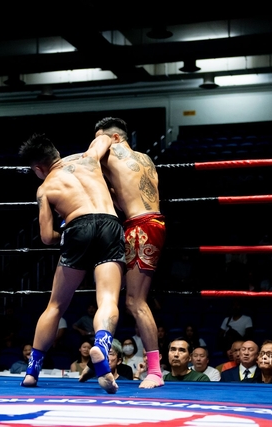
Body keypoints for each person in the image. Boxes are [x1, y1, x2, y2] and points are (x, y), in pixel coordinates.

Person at [18, 133, 125, 393]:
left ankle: (32, 371)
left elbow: (46, 237)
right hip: (109, 223)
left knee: (55, 305)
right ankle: (101, 345)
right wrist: (102, 143)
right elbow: (105, 138)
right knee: (107, 299)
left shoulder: (45, 188)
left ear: (38, 168)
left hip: (76, 227)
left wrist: (66, 235)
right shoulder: (87, 158)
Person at [88, 116, 167, 388]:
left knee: (135, 302)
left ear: (115, 137)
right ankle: (99, 362)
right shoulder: (146, 159)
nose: (98, 143)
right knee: (124, 299)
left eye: (101, 138)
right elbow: (129, 197)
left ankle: (155, 372)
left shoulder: (108, 152)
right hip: (150, 223)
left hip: (140, 226)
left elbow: (87, 161)